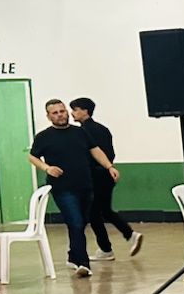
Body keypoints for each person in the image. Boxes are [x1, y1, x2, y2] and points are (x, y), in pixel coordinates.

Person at [29, 98, 118, 278]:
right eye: (55, 113)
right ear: (49, 116)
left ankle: (72, 255)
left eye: (62, 111)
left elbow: (95, 150)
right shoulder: (43, 137)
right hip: (62, 188)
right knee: (75, 222)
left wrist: (109, 166)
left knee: (80, 223)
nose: (60, 115)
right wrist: (47, 168)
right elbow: (32, 157)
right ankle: (82, 263)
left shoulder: (80, 132)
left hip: (85, 185)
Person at [70, 97, 143, 261]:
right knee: (104, 210)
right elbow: (110, 153)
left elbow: (89, 155)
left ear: (85, 111)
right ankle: (128, 235)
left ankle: (107, 249)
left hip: (95, 177)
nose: (72, 113)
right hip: (106, 175)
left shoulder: (83, 132)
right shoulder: (103, 129)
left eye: (75, 109)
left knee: (93, 214)